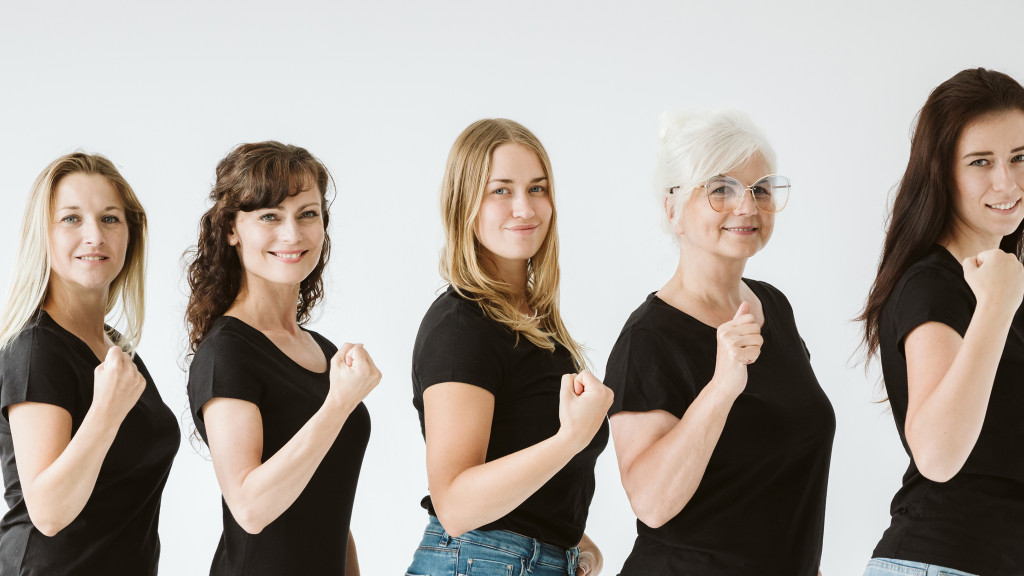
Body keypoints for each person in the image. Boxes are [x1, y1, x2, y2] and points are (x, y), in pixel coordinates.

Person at [604, 109, 835, 575]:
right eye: (721, 189)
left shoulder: (774, 307)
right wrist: (721, 388)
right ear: (673, 209)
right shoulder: (648, 338)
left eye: (761, 189)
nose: (747, 207)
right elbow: (651, 503)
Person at [404, 119, 613, 576]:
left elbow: (525, 491)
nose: (525, 208)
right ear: (465, 204)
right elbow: (456, 505)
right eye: (501, 190)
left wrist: (576, 545)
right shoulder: (462, 326)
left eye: (537, 188)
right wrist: (571, 438)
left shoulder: (535, 325)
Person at [185, 141, 379, 576]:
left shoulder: (321, 352)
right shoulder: (227, 352)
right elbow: (250, 507)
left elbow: (331, 514)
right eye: (269, 216)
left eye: (307, 214)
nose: (292, 234)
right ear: (232, 229)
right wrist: (339, 404)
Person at [859, 68, 1024, 576]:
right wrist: (996, 305)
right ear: (942, 172)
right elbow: (937, 454)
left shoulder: (999, 284)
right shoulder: (934, 285)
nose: (1008, 181)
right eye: (981, 162)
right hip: (942, 560)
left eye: (1020, 157)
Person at [0, 152, 178, 575]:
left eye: (110, 219)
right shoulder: (35, 349)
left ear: (131, 233)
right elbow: (48, 512)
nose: (94, 236)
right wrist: (106, 412)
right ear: (42, 234)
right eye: (71, 219)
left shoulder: (114, 349)